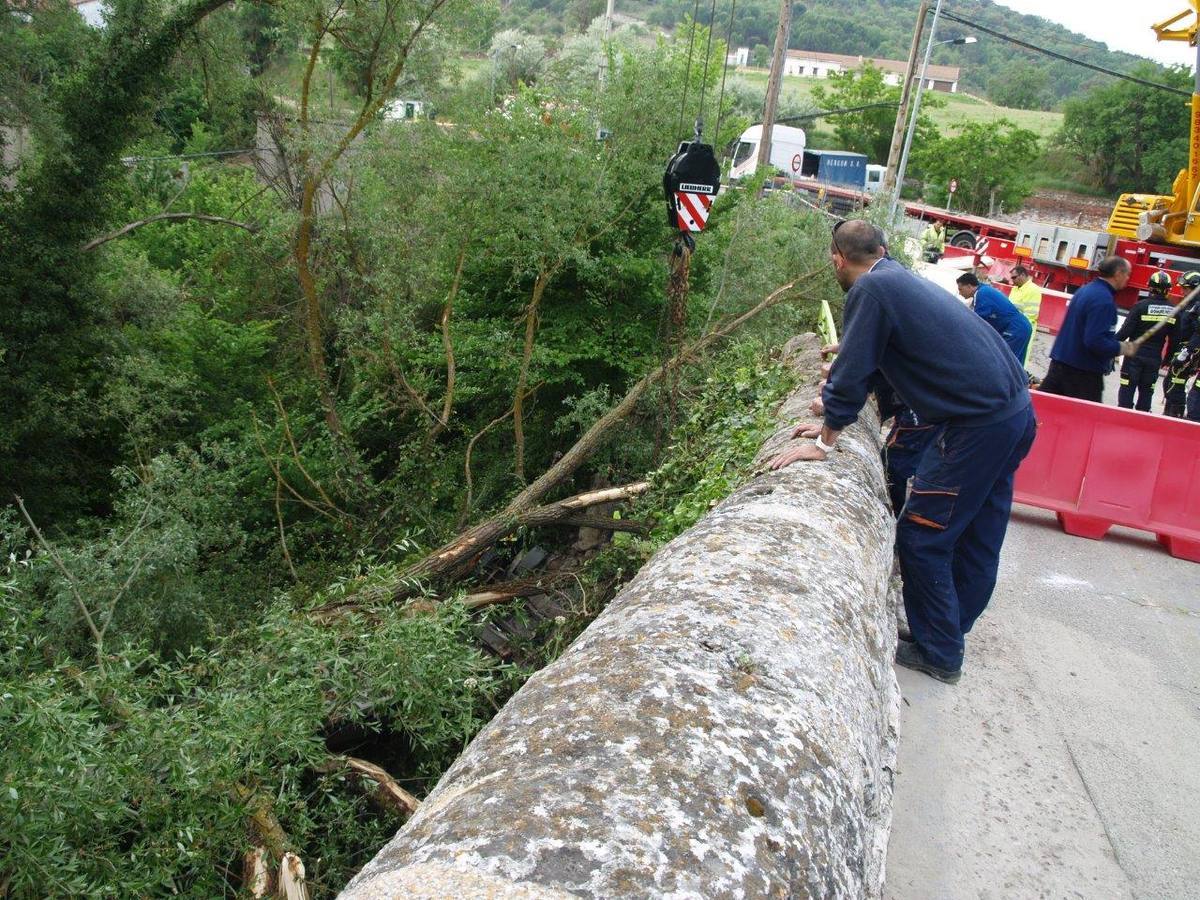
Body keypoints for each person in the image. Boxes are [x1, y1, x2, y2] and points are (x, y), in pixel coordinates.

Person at [770, 220, 1036, 685]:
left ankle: (940, 652)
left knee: (922, 534)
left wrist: (824, 440)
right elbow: (885, 364)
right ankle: (950, 628)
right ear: (883, 248)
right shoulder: (899, 278)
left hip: (975, 426)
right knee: (978, 530)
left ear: (837, 257)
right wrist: (835, 414)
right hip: (1014, 413)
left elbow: (852, 371)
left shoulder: (869, 292)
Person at [1039, 256, 1137, 403]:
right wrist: (1120, 348)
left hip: (1061, 364)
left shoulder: (1086, 291)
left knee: (1046, 411)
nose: (1128, 278)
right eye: (1127, 274)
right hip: (1083, 374)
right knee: (1082, 420)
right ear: (1118, 274)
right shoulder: (1103, 300)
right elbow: (1095, 341)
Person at [1116, 269, 1178, 412]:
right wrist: (1167, 360)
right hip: (1154, 358)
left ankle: (1123, 416)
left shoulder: (1140, 306)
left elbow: (1124, 332)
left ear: (1150, 287)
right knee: (1147, 390)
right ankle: (1142, 419)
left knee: (1127, 386)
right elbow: (1175, 340)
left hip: (1133, 357)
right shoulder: (1174, 311)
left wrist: (1109, 346)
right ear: (1168, 289)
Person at [956, 272, 1033, 364]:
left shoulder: (982, 294)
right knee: (1014, 363)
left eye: (960, 289)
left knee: (1005, 362)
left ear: (969, 286)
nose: (960, 293)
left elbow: (977, 322)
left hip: (1015, 328)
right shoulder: (984, 290)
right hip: (1020, 326)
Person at [1163, 270, 1200, 417]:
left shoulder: (1198, 306)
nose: (1182, 291)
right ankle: (1171, 415)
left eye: (1186, 288)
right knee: (1169, 384)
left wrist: (1186, 353)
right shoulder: (1189, 304)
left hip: (1190, 352)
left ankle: (1175, 417)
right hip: (1181, 349)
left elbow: (1198, 333)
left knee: (1174, 385)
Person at [1008, 265, 1042, 330]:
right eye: (1011, 278)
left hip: (1023, 328)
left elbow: (1031, 315)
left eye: (1014, 277)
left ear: (1023, 275)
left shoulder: (1033, 290)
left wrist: (1017, 326)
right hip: (1014, 326)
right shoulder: (1015, 288)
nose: (1012, 280)